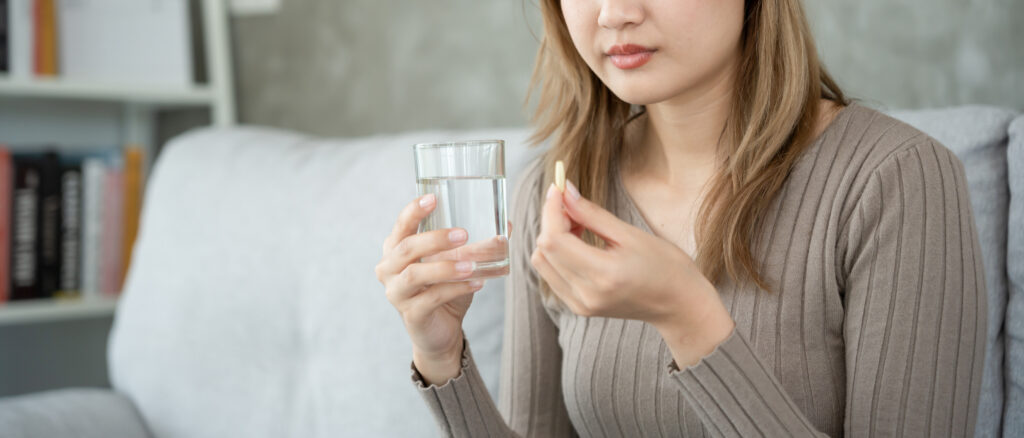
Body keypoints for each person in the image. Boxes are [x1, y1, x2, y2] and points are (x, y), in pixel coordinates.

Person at [374, 0, 987, 436]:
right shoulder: (557, 191)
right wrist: (442, 357)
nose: (613, 12)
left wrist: (690, 320)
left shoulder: (896, 177)